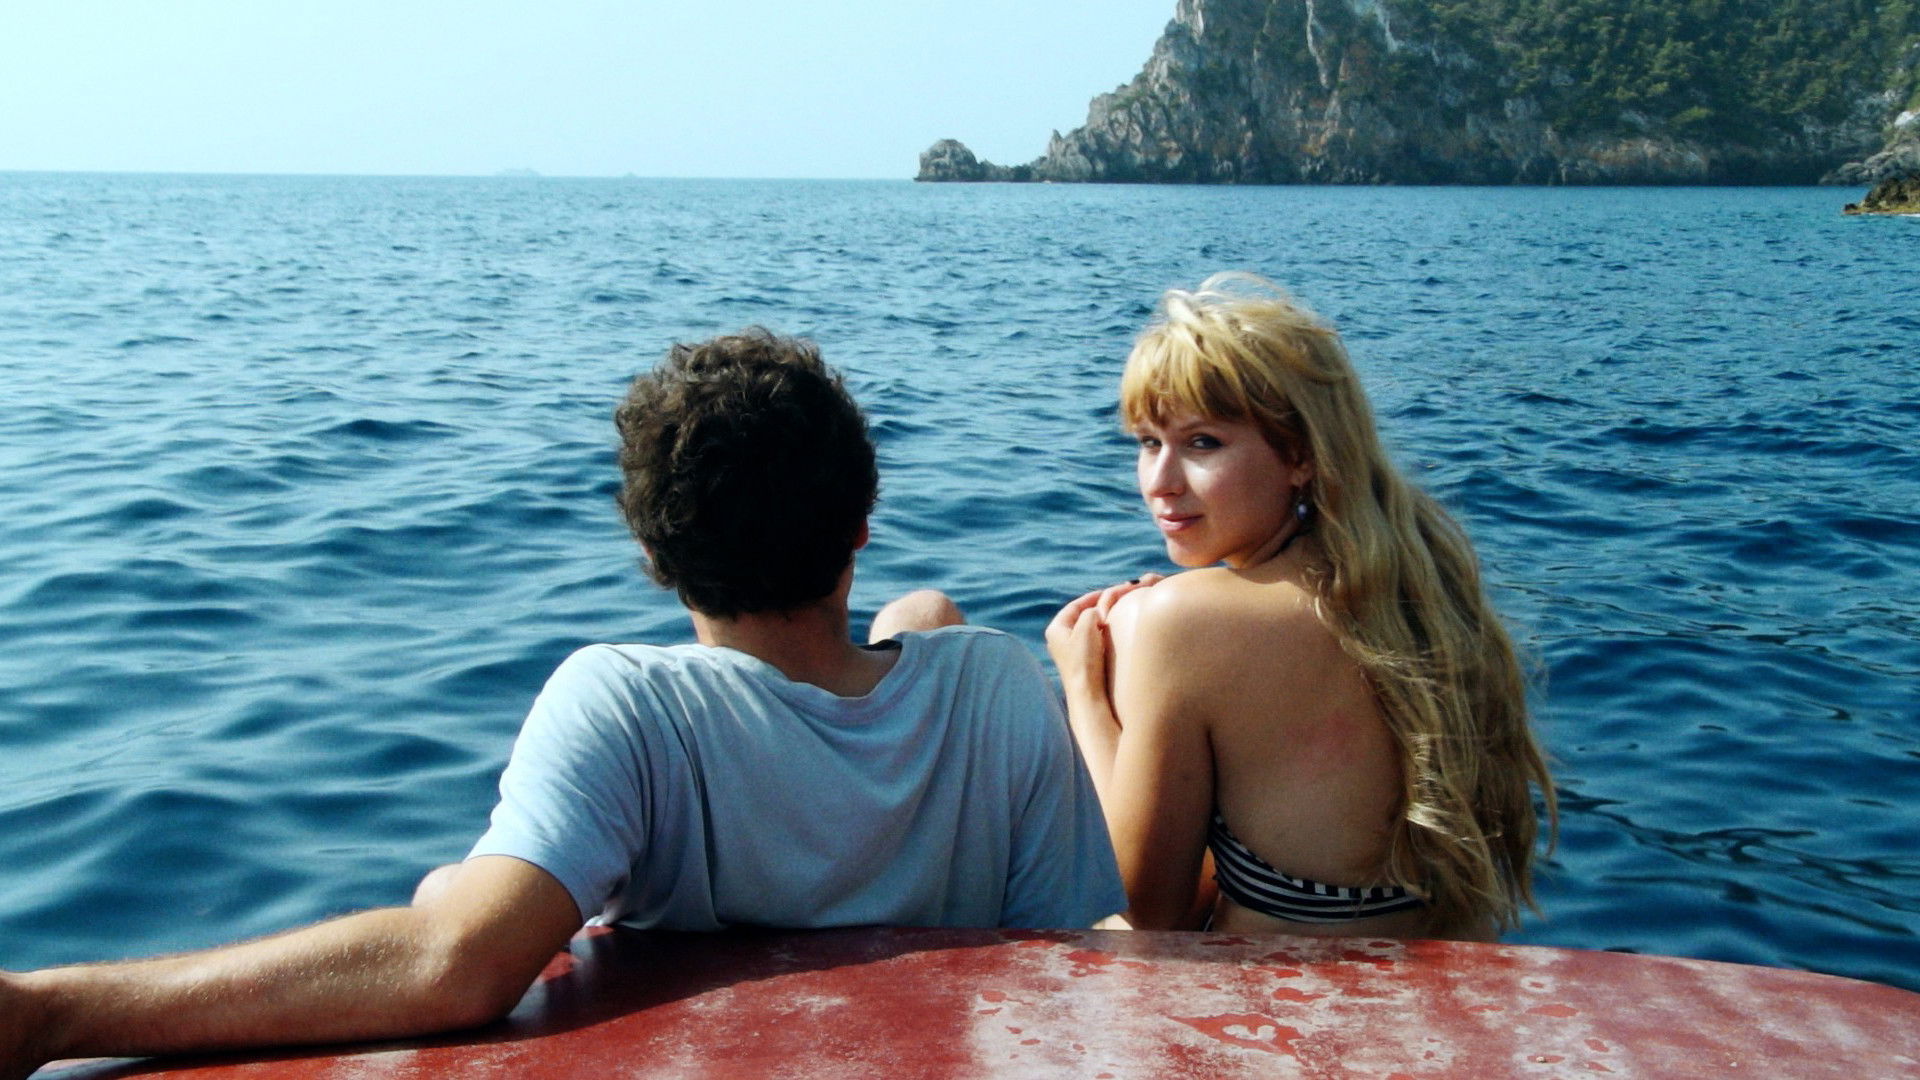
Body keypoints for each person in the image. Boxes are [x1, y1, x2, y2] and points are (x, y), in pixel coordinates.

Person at [1, 329, 1121, 1079]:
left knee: (448, 887)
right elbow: (1066, 957)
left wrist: (53, 1013)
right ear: (862, 523)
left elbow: (459, 963)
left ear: (656, 557)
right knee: (927, 619)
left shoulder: (626, 704)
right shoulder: (997, 685)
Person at [1047, 273, 1553, 941]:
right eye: (1148, 442)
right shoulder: (1422, 583)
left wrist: (1085, 690)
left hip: (1280, 997)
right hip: (1441, 982)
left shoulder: (1179, 622)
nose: (1160, 483)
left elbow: (1152, 912)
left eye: (1203, 443)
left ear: (1301, 455)